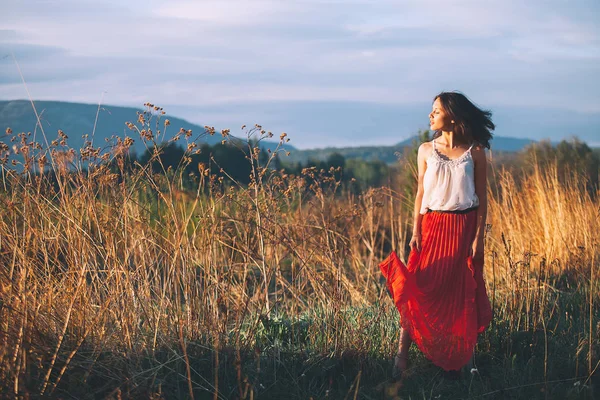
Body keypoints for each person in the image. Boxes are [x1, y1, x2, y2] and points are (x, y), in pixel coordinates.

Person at [379, 91, 494, 379]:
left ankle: (468, 361)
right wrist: (416, 229)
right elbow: (420, 193)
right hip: (432, 227)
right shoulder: (425, 150)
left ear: (452, 116)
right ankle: (401, 359)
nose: (430, 115)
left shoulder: (476, 152)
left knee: (463, 290)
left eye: (436, 110)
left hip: (463, 228)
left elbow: (482, 197)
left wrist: (479, 239)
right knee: (418, 287)